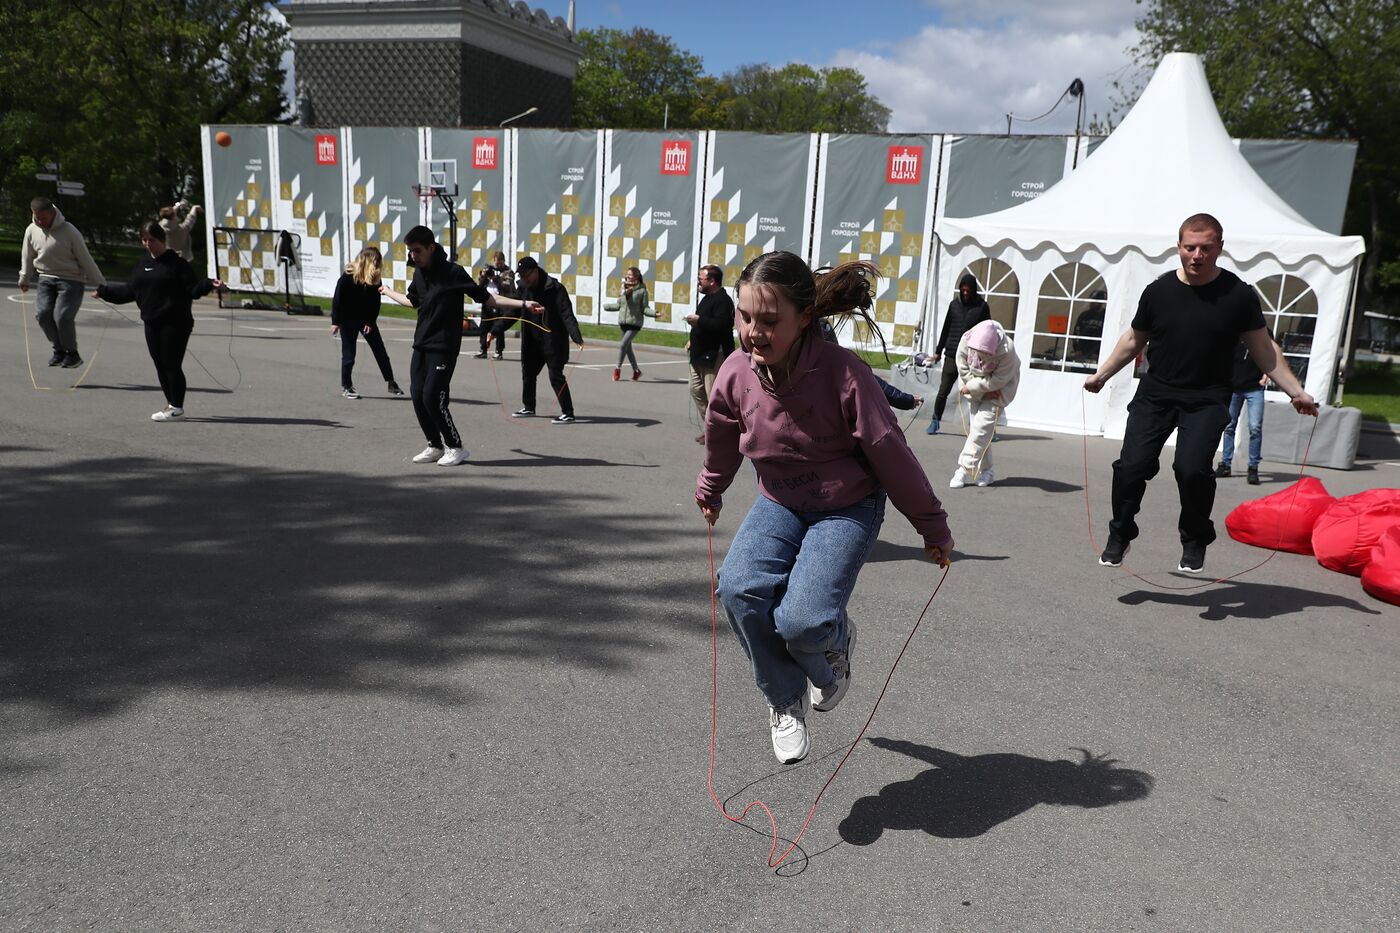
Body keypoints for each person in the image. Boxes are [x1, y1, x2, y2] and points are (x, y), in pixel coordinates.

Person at [696, 251, 954, 765]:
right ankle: (783, 698)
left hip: (845, 507)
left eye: (769, 321)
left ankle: (834, 641)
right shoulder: (735, 372)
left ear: (805, 318)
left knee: (802, 620)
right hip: (780, 501)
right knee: (738, 587)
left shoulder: (844, 375)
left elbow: (891, 455)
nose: (753, 332)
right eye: (746, 318)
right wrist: (711, 488)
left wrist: (932, 526)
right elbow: (721, 438)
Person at [1084, 214, 1318, 573]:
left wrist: (1295, 392)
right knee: (1131, 466)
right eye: (1189, 247)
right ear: (1178, 247)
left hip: (1207, 398)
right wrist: (1102, 374)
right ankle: (1121, 533)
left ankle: (1194, 539)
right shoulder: (1158, 291)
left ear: (1219, 248)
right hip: (1156, 393)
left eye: (1206, 248)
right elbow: (1134, 339)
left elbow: (1264, 349)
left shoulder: (1238, 295)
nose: (1197, 255)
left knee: (1191, 470)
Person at [381, 226, 540, 465]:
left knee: (432, 396)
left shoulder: (454, 273)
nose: (413, 256)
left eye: (417, 251)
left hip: (444, 345)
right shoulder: (419, 274)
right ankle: (434, 445)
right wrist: (387, 291)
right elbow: (412, 301)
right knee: (416, 395)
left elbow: (488, 298)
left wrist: (524, 304)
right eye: (410, 251)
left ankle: (455, 447)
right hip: (422, 342)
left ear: (431, 248)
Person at [94, 222, 223, 421]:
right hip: (151, 322)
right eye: (144, 240)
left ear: (161, 240)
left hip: (176, 322)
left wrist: (209, 284)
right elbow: (130, 291)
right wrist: (104, 292)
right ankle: (171, 404)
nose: (147, 244)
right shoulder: (141, 264)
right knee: (160, 364)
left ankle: (176, 407)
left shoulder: (178, 264)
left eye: (151, 240)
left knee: (172, 364)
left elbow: (193, 289)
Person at [18, 196, 106, 369]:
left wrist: (102, 285)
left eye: (43, 218)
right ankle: (58, 350)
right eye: (36, 217)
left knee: (62, 317)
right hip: (45, 278)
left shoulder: (69, 231)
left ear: (53, 213)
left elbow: (86, 259)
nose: (40, 221)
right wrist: (24, 277)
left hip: (71, 280)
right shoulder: (31, 230)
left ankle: (72, 354)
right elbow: (27, 256)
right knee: (43, 314)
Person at [512, 255, 584, 424]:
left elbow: (566, 313)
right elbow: (513, 312)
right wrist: (495, 330)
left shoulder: (555, 288)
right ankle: (529, 407)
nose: (524, 279)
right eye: (521, 276)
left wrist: (576, 336)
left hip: (553, 341)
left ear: (535, 271)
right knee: (528, 373)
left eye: (527, 275)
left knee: (555, 376)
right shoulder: (523, 288)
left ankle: (568, 413)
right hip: (532, 340)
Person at [949, 319, 1020, 488]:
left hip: (998, 392)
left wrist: (975, 387)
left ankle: (963, 469)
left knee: (981, 428)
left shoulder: (1007, 349)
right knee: (979, 431)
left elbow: (1000, 379)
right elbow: (963, 368)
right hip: (973, 390)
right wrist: (976, 388)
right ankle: (987, 472)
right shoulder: (966, 340)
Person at [331, 246, 402, 399]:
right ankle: (347, 386)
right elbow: (337, 300)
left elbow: (375, 303)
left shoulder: (375, 279)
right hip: (348, 320)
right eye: (375, 261)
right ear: (367, 261)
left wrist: (370, 322)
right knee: (349, 355)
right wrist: (335, 321)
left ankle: (391, 382)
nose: (377, 265)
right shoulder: (347, 277)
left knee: (380, 351)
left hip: (366, 320)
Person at [927, 273, 990, 435]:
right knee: (943, 391)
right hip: (951, 354)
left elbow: (988, 331)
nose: (965, 292)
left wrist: (986, 355)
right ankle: (935, 420)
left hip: (972, 357)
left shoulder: (982, 307)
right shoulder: (954, 305)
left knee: (977, 392)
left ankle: (984, 427)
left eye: (968, 289)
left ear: (973, 289)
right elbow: (946, 328)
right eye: (963, 289)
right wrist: (938, 351)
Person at [1214, 337, 1279, 486]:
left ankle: (1253, 467)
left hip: (1255, 388)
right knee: (1228, 426)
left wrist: (1267, 374)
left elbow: (1273, 353)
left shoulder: (1263, 331)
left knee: (1255, 427)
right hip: (1233, 387)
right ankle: (1225, 464)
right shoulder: (1234, 329)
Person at [687, 263, 736, 443]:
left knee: (714, 397)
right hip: (698, 354)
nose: (699, 282)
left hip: (714, 355)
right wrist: (692, 339)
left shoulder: (723, 300)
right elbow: (705, 324)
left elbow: (722, 326)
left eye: (701, 279)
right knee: (695, 391)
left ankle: (718, 433)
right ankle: (710, 428)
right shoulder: (706, 298)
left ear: (712, 281)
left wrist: (699, 321)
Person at [603, 266, 654, 381]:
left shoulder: (642, 291)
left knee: (623, 345)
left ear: (636, 277)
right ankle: (636, 371)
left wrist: (655, 313)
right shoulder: (623, 289)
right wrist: (607, 307)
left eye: (630, 275)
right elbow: (619, 305)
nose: (628, 277)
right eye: (627, 275)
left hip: (635, 323)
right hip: (623, 322)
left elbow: (645, 308)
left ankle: (617, 369)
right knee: (628, 348)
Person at [475, 250, 517, 359]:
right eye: (496, 263)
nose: (498, 265)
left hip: (500, 302)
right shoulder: (489, 269)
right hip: (488, 301)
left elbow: (508, 285)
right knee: (484, 326)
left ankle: (499, 351)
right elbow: (480, 283)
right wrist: (484, 275)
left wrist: (496, 278)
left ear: (503, 261)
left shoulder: (508, 271)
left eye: (500, 263)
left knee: (498, 327)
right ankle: (483, 349)